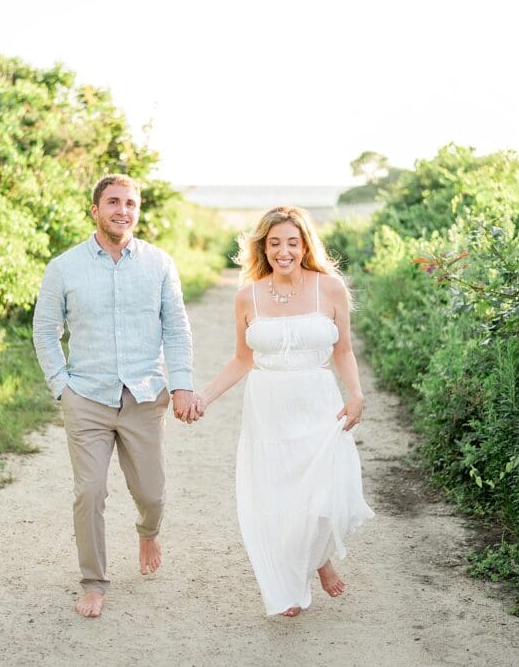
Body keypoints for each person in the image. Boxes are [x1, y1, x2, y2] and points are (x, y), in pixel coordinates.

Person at [183, 206, 373, 617]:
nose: (283, 251)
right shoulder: (247, 296)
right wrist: (205, 397)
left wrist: (355, 393)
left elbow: (343, 351)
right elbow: (241, 359)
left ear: (305, 245)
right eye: (274, 243)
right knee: (276, 496)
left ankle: (318, 557)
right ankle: (287, 585)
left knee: (323, 492)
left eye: (291, 242)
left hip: (318, 403)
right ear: (262, 247)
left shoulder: (330, 288)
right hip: (268, 407)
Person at [33, 174, 197, 618]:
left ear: (137, 211)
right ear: (95, 210)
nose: (122, 210)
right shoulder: (63, 267)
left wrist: (181, 384)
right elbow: (45, 331)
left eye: (130, 203)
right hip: (86, 395)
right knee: (89, 490)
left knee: (152, 493)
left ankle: (148, 531)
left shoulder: (159, 264)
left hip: (144, 396)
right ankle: (93, 581)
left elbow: (177, 329)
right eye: (113, 202)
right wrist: (60, 386)